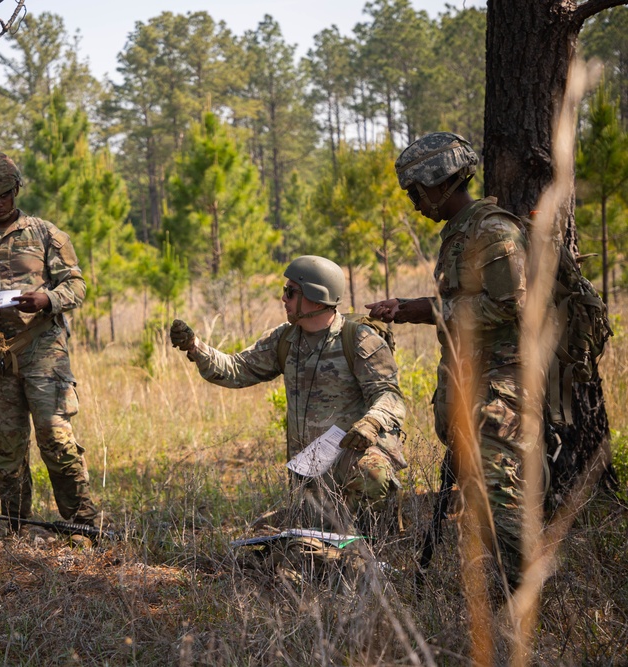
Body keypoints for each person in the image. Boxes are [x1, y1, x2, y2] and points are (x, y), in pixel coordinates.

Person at [366, 131, 527, 593]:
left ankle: (521, 602)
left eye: (416, 190)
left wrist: (430, 311)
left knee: (501, 492)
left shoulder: (493, 230)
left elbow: (512, 305)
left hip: (504, 388)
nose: (415, 202)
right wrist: (412, 308)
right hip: (474, 384)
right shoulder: (459, 234)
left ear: (439, 183)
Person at [170, 256, 407, 535]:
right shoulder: (285, 339)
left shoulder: (359, 340)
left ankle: (375, 542)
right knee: (269, 536)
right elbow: (237, 369)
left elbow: (388, 394)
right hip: (309, 473)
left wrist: (371, 422)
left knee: (373, 476)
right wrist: (196, 347)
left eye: (291, 292)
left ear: (317, 300)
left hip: (351, 462)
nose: (283, 298)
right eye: (285, 291)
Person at [0, 152, 99, 531]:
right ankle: (15, 525)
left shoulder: (46, 234)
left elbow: (77, 285)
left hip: (43, 348)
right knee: (8, 446)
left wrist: (48, 299)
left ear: (16, 190)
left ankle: (82, 523)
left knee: (55, 435)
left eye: (4, 195)